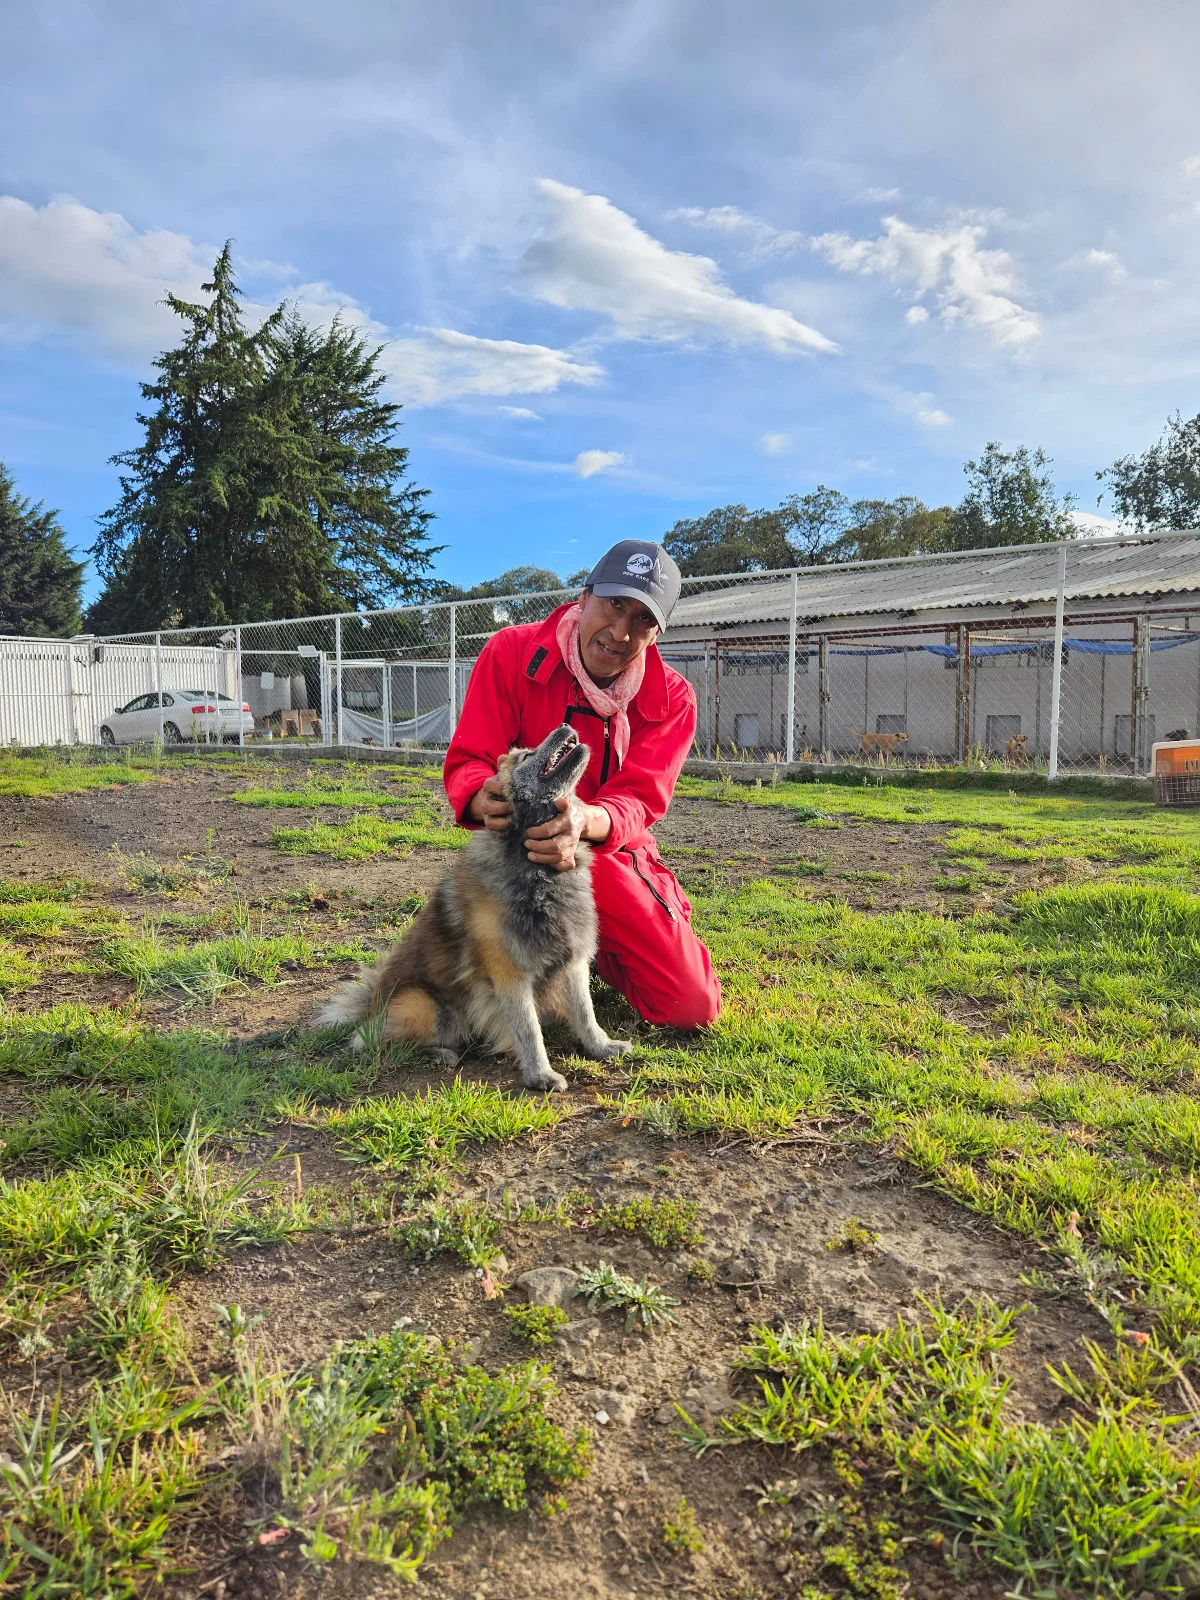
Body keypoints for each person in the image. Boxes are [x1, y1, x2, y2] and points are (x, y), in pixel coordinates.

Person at [443, 540, 721, 1030]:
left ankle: (599, 955)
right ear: (584, 596)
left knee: (690, 1008)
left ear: (656, 634)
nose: (619, 632)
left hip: (608, 851)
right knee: (455, 957)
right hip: (520, 848)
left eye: (642, 619)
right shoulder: (511, 653)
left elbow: (639, 799)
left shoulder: (672, 698)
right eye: (614, 604)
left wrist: (585, 822)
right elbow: (471, 758)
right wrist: (479, 792)